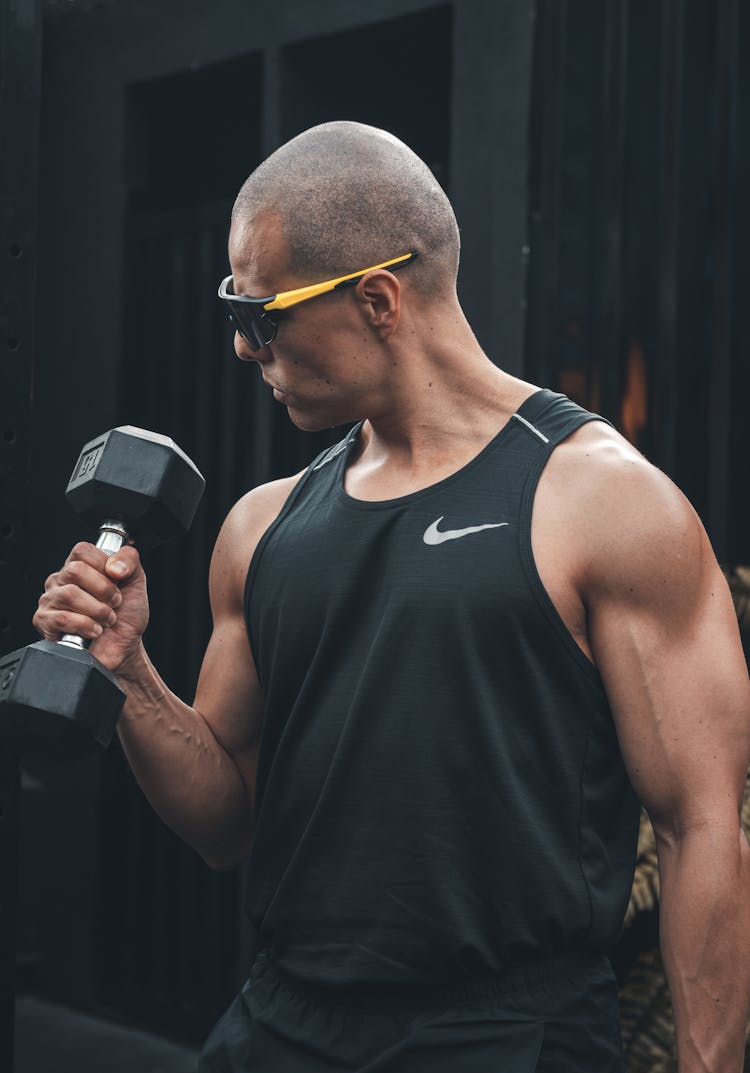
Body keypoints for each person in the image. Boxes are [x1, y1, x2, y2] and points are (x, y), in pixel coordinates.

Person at [33, 122, 750, 1072]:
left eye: (265, 318)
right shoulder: (262, 526)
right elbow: (222, 824)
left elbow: (703, 829)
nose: (247, 351)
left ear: (377, 298)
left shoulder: (605, 503)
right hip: (283, 1019)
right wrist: (127, 670)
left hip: (507, 1031)